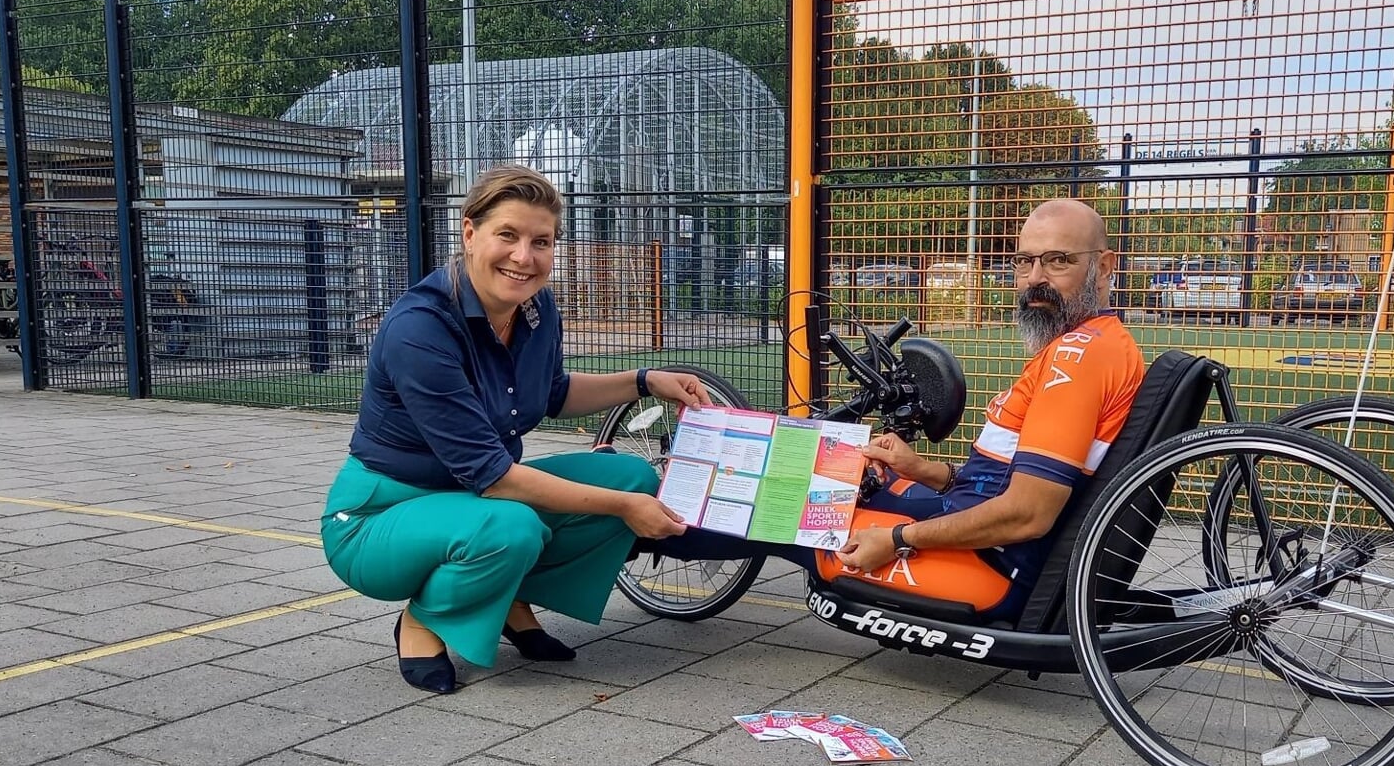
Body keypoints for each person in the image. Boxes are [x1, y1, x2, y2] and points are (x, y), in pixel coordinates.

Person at [648, 198, 1147, 615]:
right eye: (1024, 261)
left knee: (785, 504)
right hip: (980, 529)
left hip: (991, 568)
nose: (1034, 278)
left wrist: (898, 538)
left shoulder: (1075, 358)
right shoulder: (1096, 343)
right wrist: (924, 469)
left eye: (1057, 260)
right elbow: (1009, 483)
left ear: (1102, 267)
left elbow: (1025, 515)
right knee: (830, 470)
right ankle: (655, 507)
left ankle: (640, 525)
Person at [322, 166, 709, 694]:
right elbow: (495, 479)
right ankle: (423, 621)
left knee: (630, 478)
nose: (524, 257)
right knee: (512, 525)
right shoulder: (420, 328)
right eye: (507, 235)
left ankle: (507, 597)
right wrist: (622, 512)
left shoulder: (535, 307)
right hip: (378, 518)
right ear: (469, 233)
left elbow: (552, 393)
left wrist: (645, 381)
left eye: (541, 241)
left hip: (476, 502)